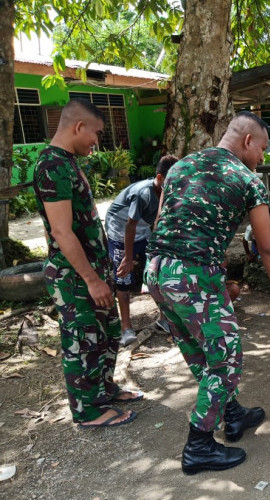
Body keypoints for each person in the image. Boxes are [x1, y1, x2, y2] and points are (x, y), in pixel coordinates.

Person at [145, 111, 270, 475]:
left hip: (158, 271)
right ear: (247, 141)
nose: (261, 157)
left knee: (199, 352)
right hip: (194, 274)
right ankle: (199, 447)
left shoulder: (181, 166)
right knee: (226, 360)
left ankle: (233, 414)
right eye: (262, 148)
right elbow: (268, 245)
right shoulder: (246, 178)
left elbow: (161, 221)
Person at [32, 99, 139, 429]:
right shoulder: (51, 165)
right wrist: (91, 279)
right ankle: (88, 410)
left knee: (104, 334)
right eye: (96, 133)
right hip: (74, 275)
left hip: (93, 269)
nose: (98, 141)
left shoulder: (67, 161)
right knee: (82, 341)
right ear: (79, 127)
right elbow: (62, 232)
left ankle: (104, 391)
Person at [105, 154, 178, 346]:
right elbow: (130, 226)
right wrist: (128, 258)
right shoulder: (143, 193)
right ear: (161, 178)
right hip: (120, 232)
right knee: (123, 278)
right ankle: (126, 328)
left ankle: (164, 319)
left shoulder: (165, 192)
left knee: (157, 270)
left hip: (143, 231)